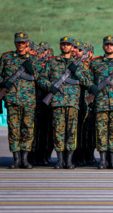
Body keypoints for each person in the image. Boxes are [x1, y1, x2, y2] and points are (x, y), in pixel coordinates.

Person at [38, 36, 92, 169]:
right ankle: (60, 160)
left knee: (71, 132)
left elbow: (87, 82)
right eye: (63, 44)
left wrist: (77, 70)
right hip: (57, 102)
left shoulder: (80, 64)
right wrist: (50, 86)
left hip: (73, 103)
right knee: (58, 132)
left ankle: (69, 160)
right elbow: (41, 79)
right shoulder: (52, 62)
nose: (65, 47)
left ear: (72, 47)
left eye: (68, 45)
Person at [0, 32, 40, 169]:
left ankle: (25, 160)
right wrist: (3, 83)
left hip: (28, 101)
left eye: (23, 42)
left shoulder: (34, 60)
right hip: (12, 100)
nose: (20, 44)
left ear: (27, 43)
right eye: (18, 42)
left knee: (27, 130)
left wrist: (33, 70)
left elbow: (41, 78)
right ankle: (16, 159)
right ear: (15, 43)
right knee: (14, 130)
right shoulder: (6, 57)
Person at [87, 35, 113, 169]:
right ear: (103, 46)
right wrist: (92, 88)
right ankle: (103, 160)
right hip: (101, 103)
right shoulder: (95, 62)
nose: (109, 47)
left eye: (111, 45)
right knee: (101, 131)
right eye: (107, 44)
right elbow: (89, 79)